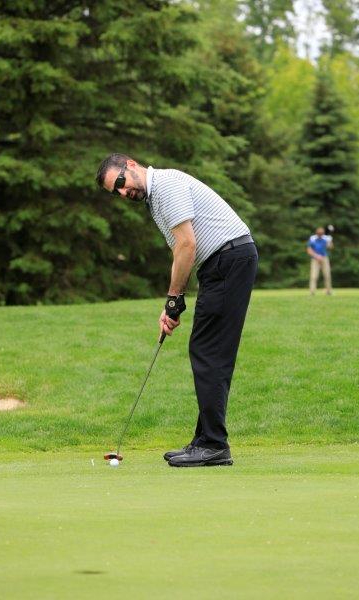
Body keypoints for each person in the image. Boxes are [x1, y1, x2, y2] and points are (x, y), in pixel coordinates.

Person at [96, 154, 258, 467]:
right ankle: (206, 439)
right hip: (223, 263)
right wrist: (172, 304)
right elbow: (179, 250)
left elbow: (187, 245)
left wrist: (174, 297)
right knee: (208, 350)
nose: (123, 192)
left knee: (209, 352)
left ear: (131, 164)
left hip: (228, 259)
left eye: (121, 183)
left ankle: (214, 444)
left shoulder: (166, 185)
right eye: (116, 192)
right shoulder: (156, 198)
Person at [307, 227, 334, 295]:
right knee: (314, 276)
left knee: (327, 275)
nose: (320, 235)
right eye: (319, 233)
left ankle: (329, 291)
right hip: (315, 258)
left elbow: (330, 247)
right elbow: (309, 250)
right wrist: (316, 256)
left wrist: (330, 241)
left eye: (322, 233)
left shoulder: (326, 238)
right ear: (317, 233)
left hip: (324, 258)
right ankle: (312, 292)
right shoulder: (312, 238)